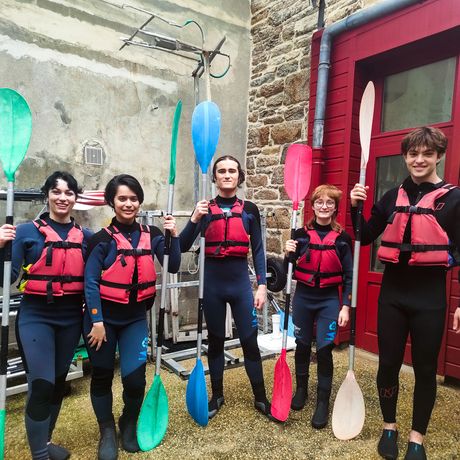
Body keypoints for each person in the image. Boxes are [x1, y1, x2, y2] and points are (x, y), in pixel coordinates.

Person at [350, 126, 460, 460]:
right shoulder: (390, 195)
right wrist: (356, 207)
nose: (419, 160)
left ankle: (417, 438)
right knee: (388, 365)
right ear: (406, 157)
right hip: (393, 296)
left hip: (430, 300)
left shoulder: (454, 199)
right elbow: (365, 236)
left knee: (426, 369)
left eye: (427, 153)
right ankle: (389, 427)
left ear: (439, 155)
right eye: (413, 154)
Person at [83, 174, 180, 460]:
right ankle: (107, 431)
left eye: (133, 198)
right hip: (102, 322)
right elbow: (90, 282)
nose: (129, 204)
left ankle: (128, 422)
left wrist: (173, 235)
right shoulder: (101, 240)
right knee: (101, 375)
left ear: (140, 201)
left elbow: (173, 264)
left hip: (135, 319)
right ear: (111, 202)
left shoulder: (152, 234)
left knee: (135, 380)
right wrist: (97, 322)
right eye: (122, 198)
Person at [0, 171, 92, 460]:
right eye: (56, 192)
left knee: (57, 384)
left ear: (76, 198)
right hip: (36, 316)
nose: (62, 198)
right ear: (47, 195)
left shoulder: (87, 238)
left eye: (68, 193)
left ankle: (46, 441)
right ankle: (39, 455)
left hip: (70, 319)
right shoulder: (26, 232)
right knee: (41, 384)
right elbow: (6, 278)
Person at [179, 155, 276, 421]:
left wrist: (262, 285)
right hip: (212, 285)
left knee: (249, 341)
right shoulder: (204, 209)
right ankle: (217, 395)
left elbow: (258, 250)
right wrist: (193, 218)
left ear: (239, 176)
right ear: (215, 177)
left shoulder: (249, 209)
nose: (227, 175)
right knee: (216, 341)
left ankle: (260, 398)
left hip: (240, 284)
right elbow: (183, 245)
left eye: (232, 170)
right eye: (221, 171)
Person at [284, 184, 352, 429]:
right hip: (303, 297)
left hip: (328, 300)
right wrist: (287, 254)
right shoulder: (300, 235)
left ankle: (323, 401)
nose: (324, 207)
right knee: (301, 345)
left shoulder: (343, 239)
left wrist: (346, 306)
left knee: (324, 349)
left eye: (330, 203)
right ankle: (301, 389)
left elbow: (349, 275)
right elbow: (285, 274)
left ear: (335, 207)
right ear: (312, 206)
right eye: (320, 202)